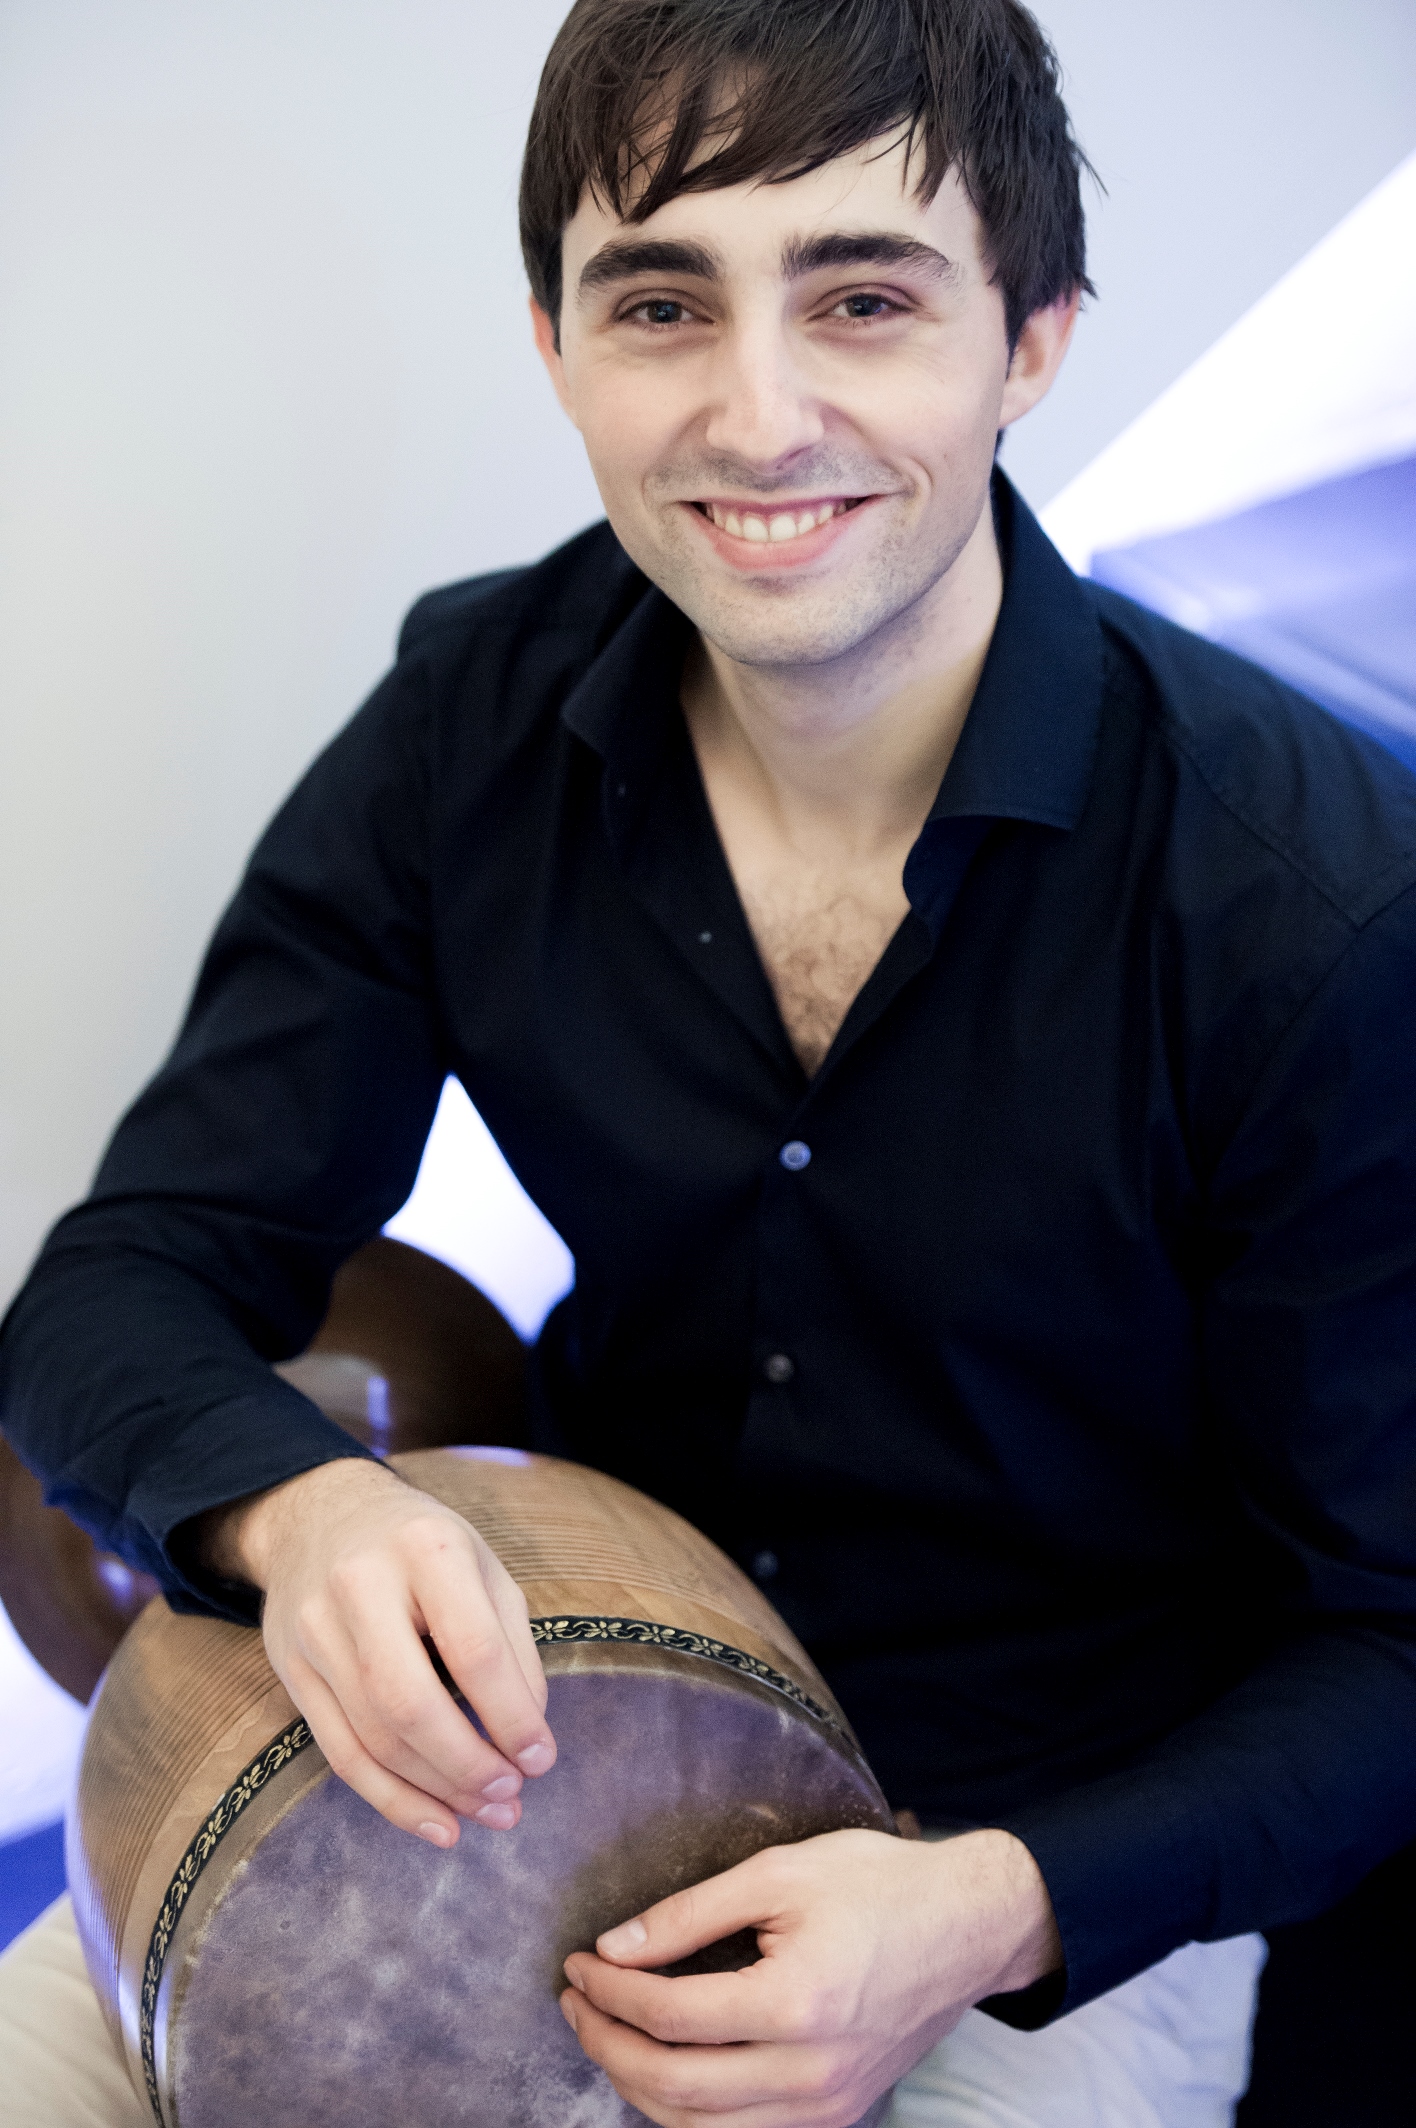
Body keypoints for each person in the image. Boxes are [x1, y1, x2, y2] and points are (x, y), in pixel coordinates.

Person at [3, 0, 1415, 2121]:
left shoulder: (1317, 895)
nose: (759, 418)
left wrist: (992, 1909)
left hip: (1034, 1851)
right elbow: (118, 1283)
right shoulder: (467, 721)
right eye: (663, 301)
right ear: (558, 346)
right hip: (521, 1755)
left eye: (864, 299)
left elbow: (1394, 1640)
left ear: (1031, 341)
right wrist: (296, 1509)